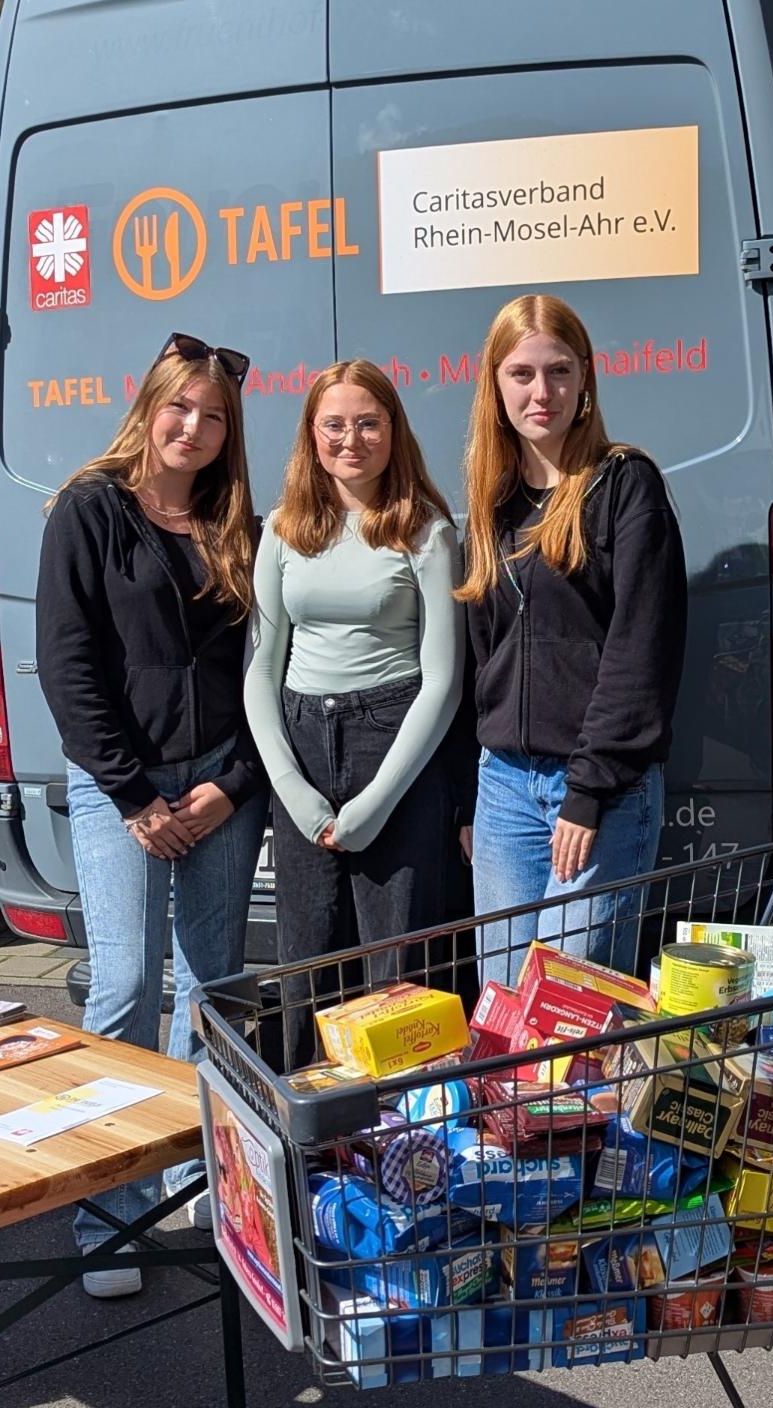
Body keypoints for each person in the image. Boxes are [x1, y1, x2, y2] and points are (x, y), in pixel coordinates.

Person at [36, 332, 266, 1298]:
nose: (195, 428)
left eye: (214, 417)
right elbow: (67, 665)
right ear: (150, 404)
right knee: (126, 984)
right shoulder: (89, 510)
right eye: (182, 407)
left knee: (213, 989)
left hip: (220, 780)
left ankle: (191, 1181)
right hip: (120, 783)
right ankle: (109, 1208)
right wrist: (135, 796)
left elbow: (269, 671)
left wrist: (235, 781)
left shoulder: (236, 522)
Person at [455, 294, 688, 980]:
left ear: (585, 376)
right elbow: (480, 661)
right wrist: (467, 804)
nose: (542, 391)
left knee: (570, 1010)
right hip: (502, 787)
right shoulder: (492, 504)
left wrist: (587, 792)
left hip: (598, 792)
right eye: (521, 374)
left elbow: (641, 653)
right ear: (494, 385)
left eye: (558, 371)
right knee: (502, 998)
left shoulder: (624, 485)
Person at [243, 360, 462, 1047]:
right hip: (302, 748)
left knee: (395, 972)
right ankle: (317, 1141)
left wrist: (378, 801)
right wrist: (292, 791)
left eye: (369, 422)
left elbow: (443, 679)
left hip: (392, 742)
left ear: (394, 430)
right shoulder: (282, 529)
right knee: (307, 965)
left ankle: (400, 1138)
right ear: (311, 435)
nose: (351, 439)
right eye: (334, 424)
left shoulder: (426, 530)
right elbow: (260, 670)